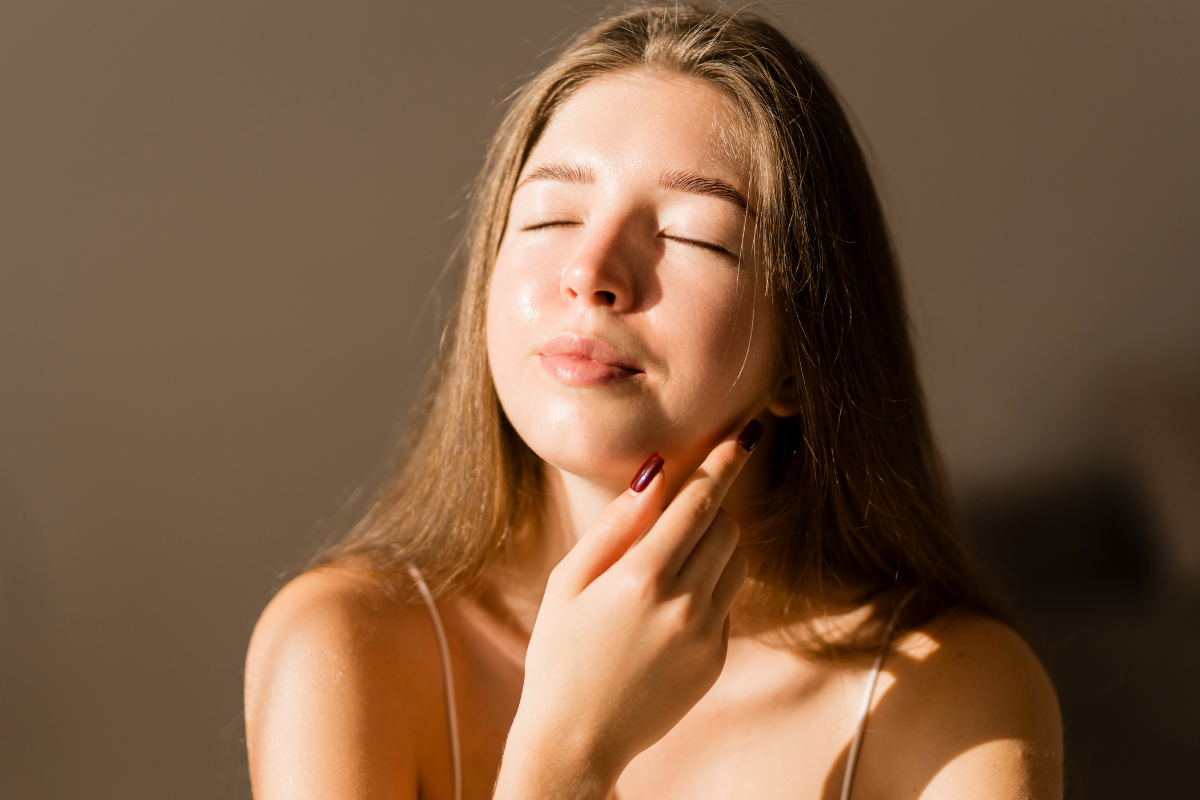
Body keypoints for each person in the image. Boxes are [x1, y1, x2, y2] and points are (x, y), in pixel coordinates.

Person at [243, 5, 1063, 798]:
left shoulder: (957, 700)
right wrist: (563, 757)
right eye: (551, 217)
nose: (590, 270)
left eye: (698, 236)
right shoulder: (342, 650)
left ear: (799, 363)